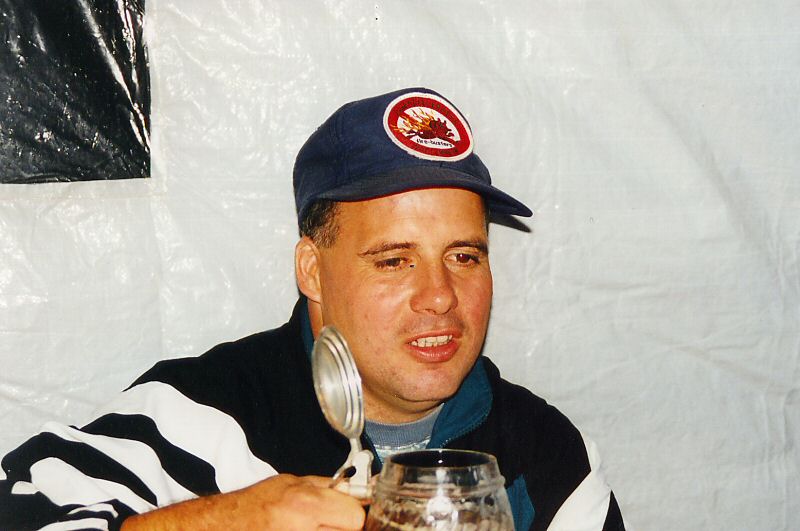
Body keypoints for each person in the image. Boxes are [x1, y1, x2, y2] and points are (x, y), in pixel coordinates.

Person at [0, 87, 625, 530]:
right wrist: (225, 521)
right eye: (394, 260)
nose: (440, 296)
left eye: (463, 256)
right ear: (312, 271)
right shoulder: (201, 415)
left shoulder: (546, 452)